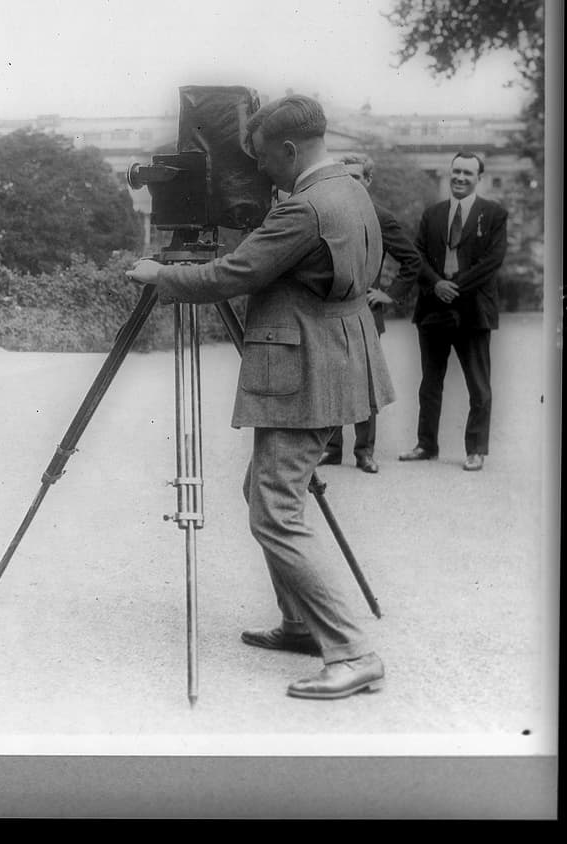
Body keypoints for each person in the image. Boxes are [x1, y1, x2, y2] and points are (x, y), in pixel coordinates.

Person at [126, 94, 392, 700]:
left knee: (274, 511)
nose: (261, 170)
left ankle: (351, 651)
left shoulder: (303, 208)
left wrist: (159, 275)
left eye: (266, 157)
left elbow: (233, 274)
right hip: (337, 359)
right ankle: (301, 624)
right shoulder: (351, 190)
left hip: (305, 369)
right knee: (266, 492)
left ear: (291, 149)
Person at [398, 151, 508, 473]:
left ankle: (476, 450)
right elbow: (416, 254)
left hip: (473, 310)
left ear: (478, 179)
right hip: (434, 308)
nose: (460, 178)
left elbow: (492, 262)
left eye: (468, 174)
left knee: (479, 384)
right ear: (450, 174)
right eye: (456, 172)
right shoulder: (432, 214)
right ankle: (426, 445)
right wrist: (436, 285)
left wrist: (454, 286)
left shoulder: (494, 214)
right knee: (430, 383)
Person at [319, 153, 422, 474]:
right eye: (345, 177)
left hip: (365, 312)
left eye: (357, 177)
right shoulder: (327, 213)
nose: (351, 183)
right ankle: (332, 449)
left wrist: (388, 294)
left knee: (364, 383)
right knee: (332, 380)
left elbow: (412, 261)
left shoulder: (381, 216)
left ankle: (364, 451)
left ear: (368, 180)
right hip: (331, 313)